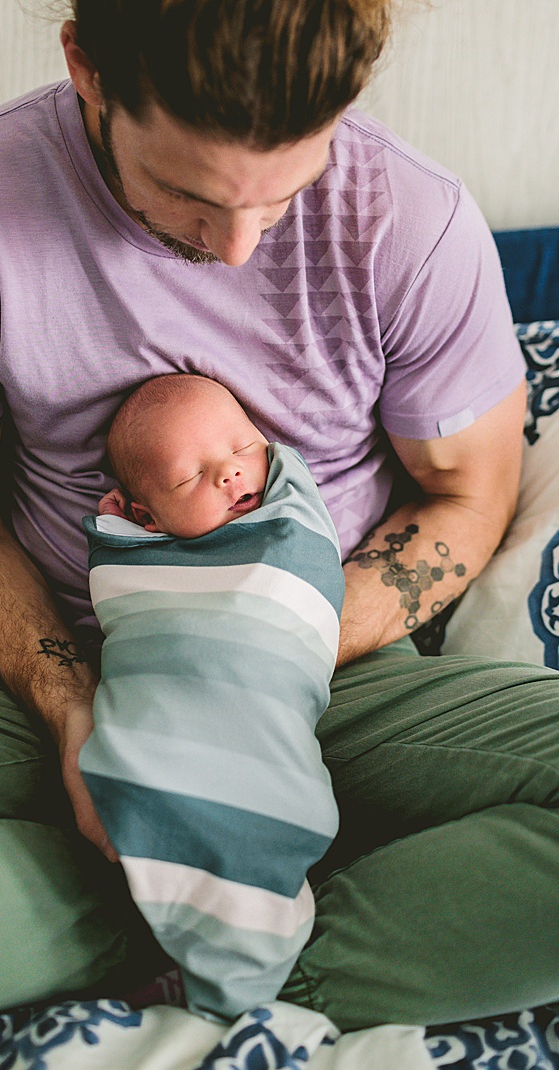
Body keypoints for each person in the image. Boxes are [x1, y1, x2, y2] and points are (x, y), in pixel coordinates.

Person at [0, 0, 551, 1031]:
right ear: (85, 66)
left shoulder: (414, 221)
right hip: (58, 668)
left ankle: (257, 961)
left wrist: (266, 653)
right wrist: (79, 715)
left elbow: (469, 493)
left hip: (326, 676)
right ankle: (170, 914)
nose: (234, 249)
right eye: (184, 191)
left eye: (287, 192)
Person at [82, 373, 343, 1020]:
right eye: (188, 477)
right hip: (168, 701)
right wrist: (120, 541)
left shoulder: (284, 515)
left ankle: (235, 981)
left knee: (256, 800)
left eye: (243, 447)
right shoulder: (137, 545)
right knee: (159, 778)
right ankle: (206, 964)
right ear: (145, 516)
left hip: (279, 702)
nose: (229, 473)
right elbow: (129, 601)